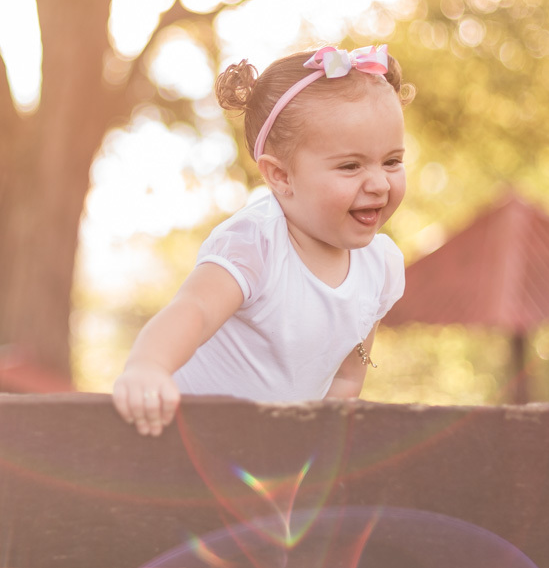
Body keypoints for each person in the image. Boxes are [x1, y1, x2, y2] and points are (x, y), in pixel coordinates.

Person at [112, 44, 413, 436]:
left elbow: (346, 377)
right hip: (182, 440)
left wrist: (319, 447)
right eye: (350, 166)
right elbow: (195, 310)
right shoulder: (255, 245)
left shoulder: (380, 266)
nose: (378, 183)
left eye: (392, 161)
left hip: (269, 453)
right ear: (281, 176)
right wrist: (148, 367)